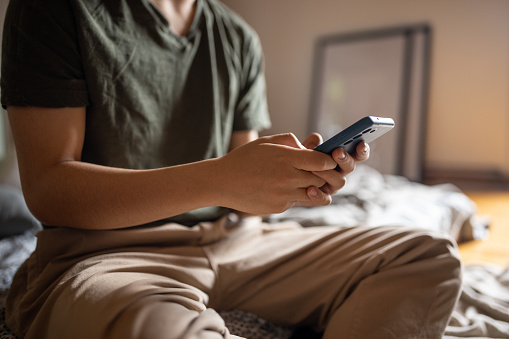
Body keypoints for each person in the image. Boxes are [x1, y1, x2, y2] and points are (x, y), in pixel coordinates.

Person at [1, 0, 462, 338]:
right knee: (159, 329)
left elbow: (247, 194)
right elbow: (48, 188)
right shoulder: (56, 11)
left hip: (235, 241)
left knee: (427, 256)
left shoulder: (237, 38)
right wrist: (223, 177)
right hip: (108, 255)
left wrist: (290, 179)